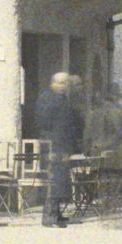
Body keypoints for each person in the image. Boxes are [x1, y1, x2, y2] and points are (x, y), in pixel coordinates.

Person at [34, 71, 85, 226]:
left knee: (60, 181)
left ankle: (56, 213)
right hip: (52, 145)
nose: (64, 86)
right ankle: (49, 216)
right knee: (53, 180)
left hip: (62, 145)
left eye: (66, 83)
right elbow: (43, 121)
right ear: (53, 83)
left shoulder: (62, 98)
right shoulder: (47, 98)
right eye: (61, 83)